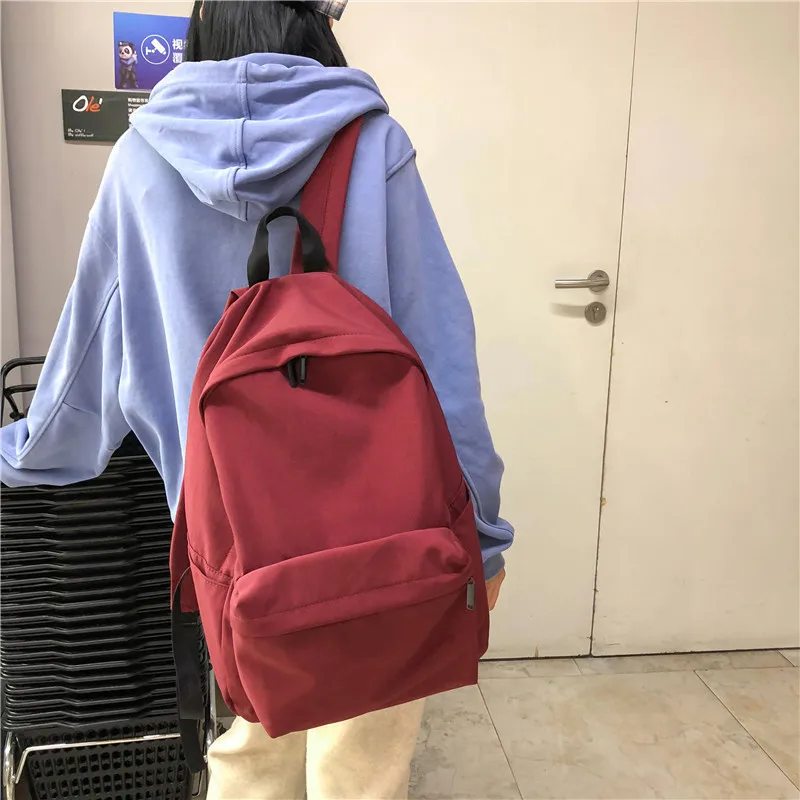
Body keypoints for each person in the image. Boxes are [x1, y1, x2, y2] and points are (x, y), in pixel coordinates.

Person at [0, 1, 513, 797]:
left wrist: (25, 453)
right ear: (311, 28)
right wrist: (482, 532)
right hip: (391, 528)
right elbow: (442, 356)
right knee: (363, 762)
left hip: (231, 538)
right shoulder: (374, 146)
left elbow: (89, 357)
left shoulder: (140, 162)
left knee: (252, 741)